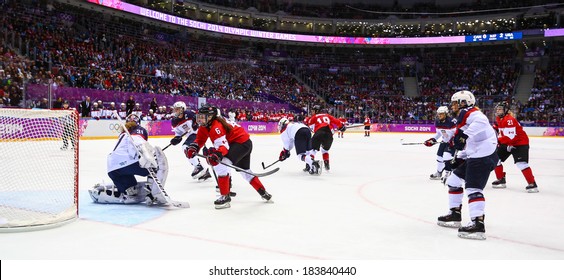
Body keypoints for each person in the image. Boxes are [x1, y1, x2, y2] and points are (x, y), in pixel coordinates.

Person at [185, 104, 272, 209]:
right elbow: (199, 140)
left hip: (240, 144)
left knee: (221, 165)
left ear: (211, 117)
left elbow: (223, 146)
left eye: (203, 116)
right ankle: (263, 192)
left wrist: (216, 155)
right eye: (199, 116)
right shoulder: (206, 125)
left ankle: (225, 197)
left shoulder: (216, 127)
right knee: (244, 171)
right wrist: (193, 148)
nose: (200, 119)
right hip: (244, 142)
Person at [437, 90, 498, 240]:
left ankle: (478, 224)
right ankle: (455, 214)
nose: (452, 106)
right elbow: (470, 143)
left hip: (483, 156)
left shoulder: (474, 113)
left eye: (454, 103)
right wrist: (458, 158)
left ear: (463, 102)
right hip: (475, 154)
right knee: (453, 181)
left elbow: (481, 122)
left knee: (473, 189)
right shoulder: (464, 117)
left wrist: (464, 135)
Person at [88, 114, 169, 205]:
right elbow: (137, 144)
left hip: (112, 169)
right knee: (156, 165)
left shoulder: (123, 134)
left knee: (131, 190)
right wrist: (148, 155)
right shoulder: (139, 130)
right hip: (126, 163)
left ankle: (124, 191)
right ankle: (153, 194)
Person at [491, 102, 539, 193]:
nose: (498, 111)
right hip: (508, 142)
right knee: (495, 159)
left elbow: (510, 137)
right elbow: (502, 131)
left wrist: (497, 141)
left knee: (521, 164)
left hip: (519, 143)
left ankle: (532, 184)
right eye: (497, 109)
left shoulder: (509, 120)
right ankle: (501, 180)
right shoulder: (500, 119)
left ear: (506, 110)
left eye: (500, 109)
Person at [169, 101, 211, 181]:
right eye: (175, 109)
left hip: (198, 133)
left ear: (182, 109)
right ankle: (204, 172)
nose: (176, 111)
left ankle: (199, 166)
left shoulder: (189, 113)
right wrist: (176, 138)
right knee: (187, 149)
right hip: (192, 135)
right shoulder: (174, 121)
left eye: (177, 109)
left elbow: (201, 119)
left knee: (186, 147)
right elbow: (178, 133)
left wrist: (197, 123)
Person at [306, 105, 346, 171]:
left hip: (319, 133)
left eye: (313, 111)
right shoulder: (327, 115)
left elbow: (312, 129)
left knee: (313, 150)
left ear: (317, 111)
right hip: (329, 134)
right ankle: (327, 165)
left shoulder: (312, 118)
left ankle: (308, 166)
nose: (312, 112)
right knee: (325, 150)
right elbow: (337, 122)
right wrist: (341, 127)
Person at [425, 106, 456, 181]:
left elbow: (457, 132)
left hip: (453, 142)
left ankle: (448, 172)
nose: (439, 115)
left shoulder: (452, 121)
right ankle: (439, 172)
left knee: (447, 156)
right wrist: (432, 140)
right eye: (438, 114)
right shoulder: (437, 122)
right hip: (444, 141)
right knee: (439, 156)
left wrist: (453, 140)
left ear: (446, 114)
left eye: (441, 114)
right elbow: (439, 133)